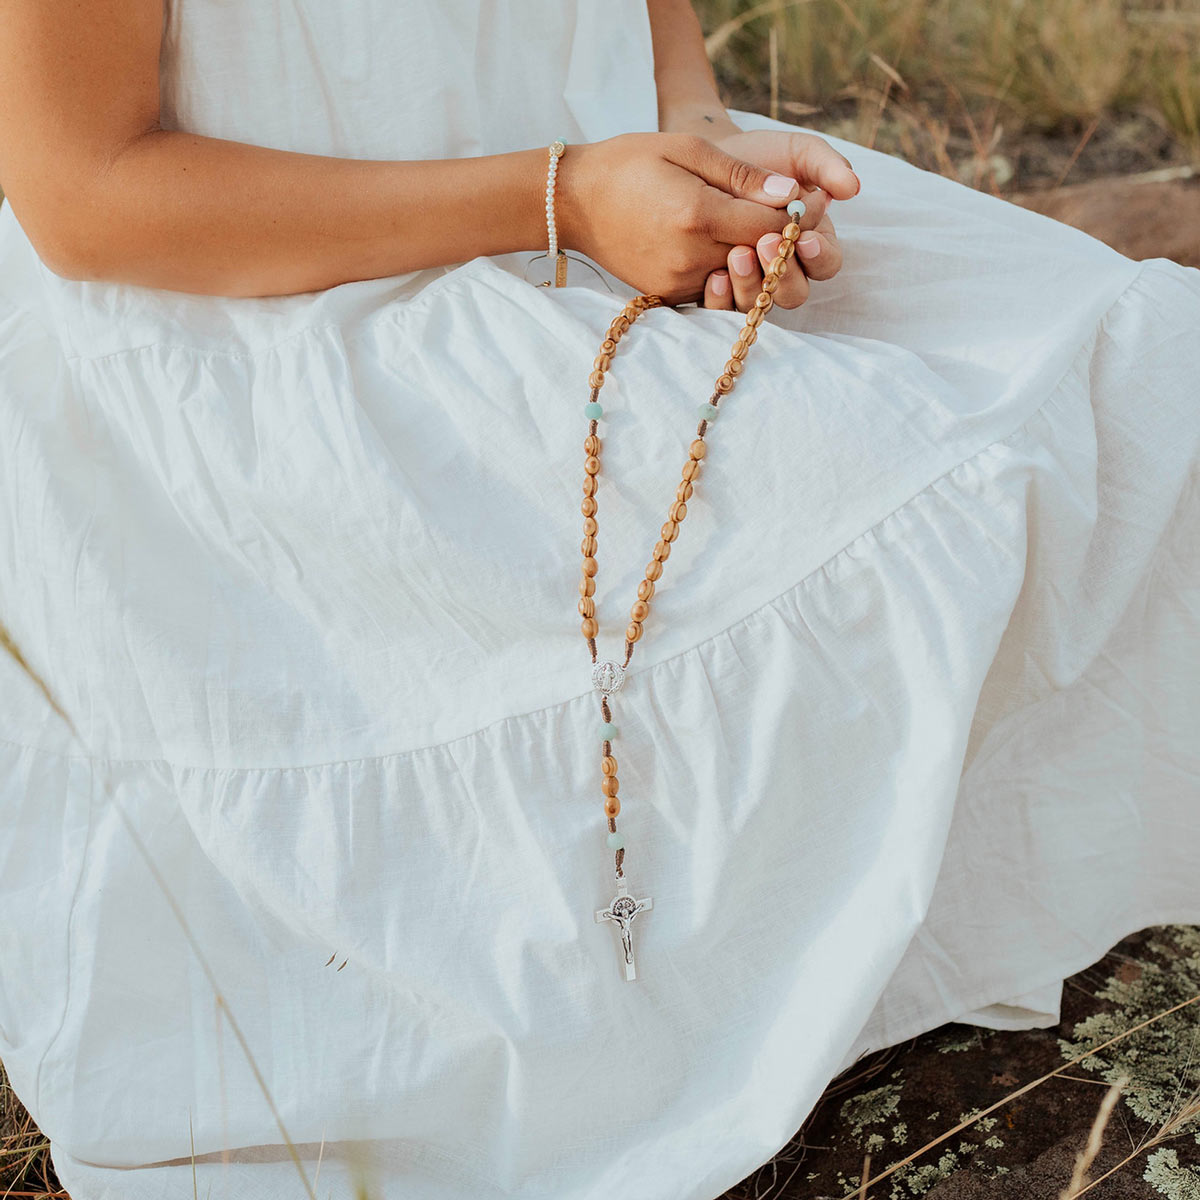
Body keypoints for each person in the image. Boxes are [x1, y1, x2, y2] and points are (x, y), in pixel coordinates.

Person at [0, 2, 1196, 1198]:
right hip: (280, 323)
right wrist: (566, 199)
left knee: (1150, 372)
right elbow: (80, 189)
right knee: (850, 476)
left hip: (604, 207)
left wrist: (710, 154)